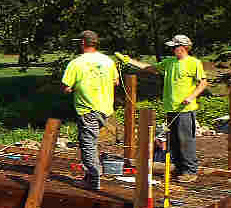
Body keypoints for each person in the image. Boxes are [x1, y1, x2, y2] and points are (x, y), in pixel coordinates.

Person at [119, 35, 208, 182]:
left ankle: (190, 172)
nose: (172, 49)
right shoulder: (169, 62)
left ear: (184, 47)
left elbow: (203, 83)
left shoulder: (194, 63)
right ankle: (180, 169)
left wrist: (191, 97)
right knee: (174, 141)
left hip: (185, 109)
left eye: (175, 47)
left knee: (186, 140)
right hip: (170, 108)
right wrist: (130, 61)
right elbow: (150, 68)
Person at [62, 30, 120, 190]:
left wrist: (74, 88)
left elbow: (66, 87)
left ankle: (93, 180)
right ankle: (92, 175)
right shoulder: (108, 61)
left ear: (82, 43)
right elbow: (116, 82)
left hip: (87, 109)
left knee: (88, 144)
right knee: (92, 143)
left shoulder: (76, 63)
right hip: (106, 109)